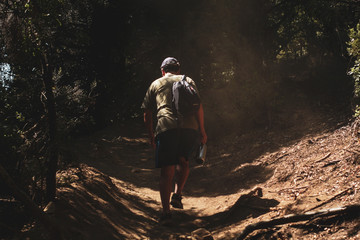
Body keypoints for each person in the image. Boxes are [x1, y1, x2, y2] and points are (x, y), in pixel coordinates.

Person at [141, 57, 207, 224]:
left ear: (163, 70)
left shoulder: (156, 83)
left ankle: (166, 213)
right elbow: (198, 106)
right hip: (189, 128)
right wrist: (202, 131)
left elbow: (147, 114)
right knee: (183, 161)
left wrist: (151, 135)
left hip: (166, 128)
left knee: (166, 172)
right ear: (178, 69)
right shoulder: (188, 79)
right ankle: (177, 195)